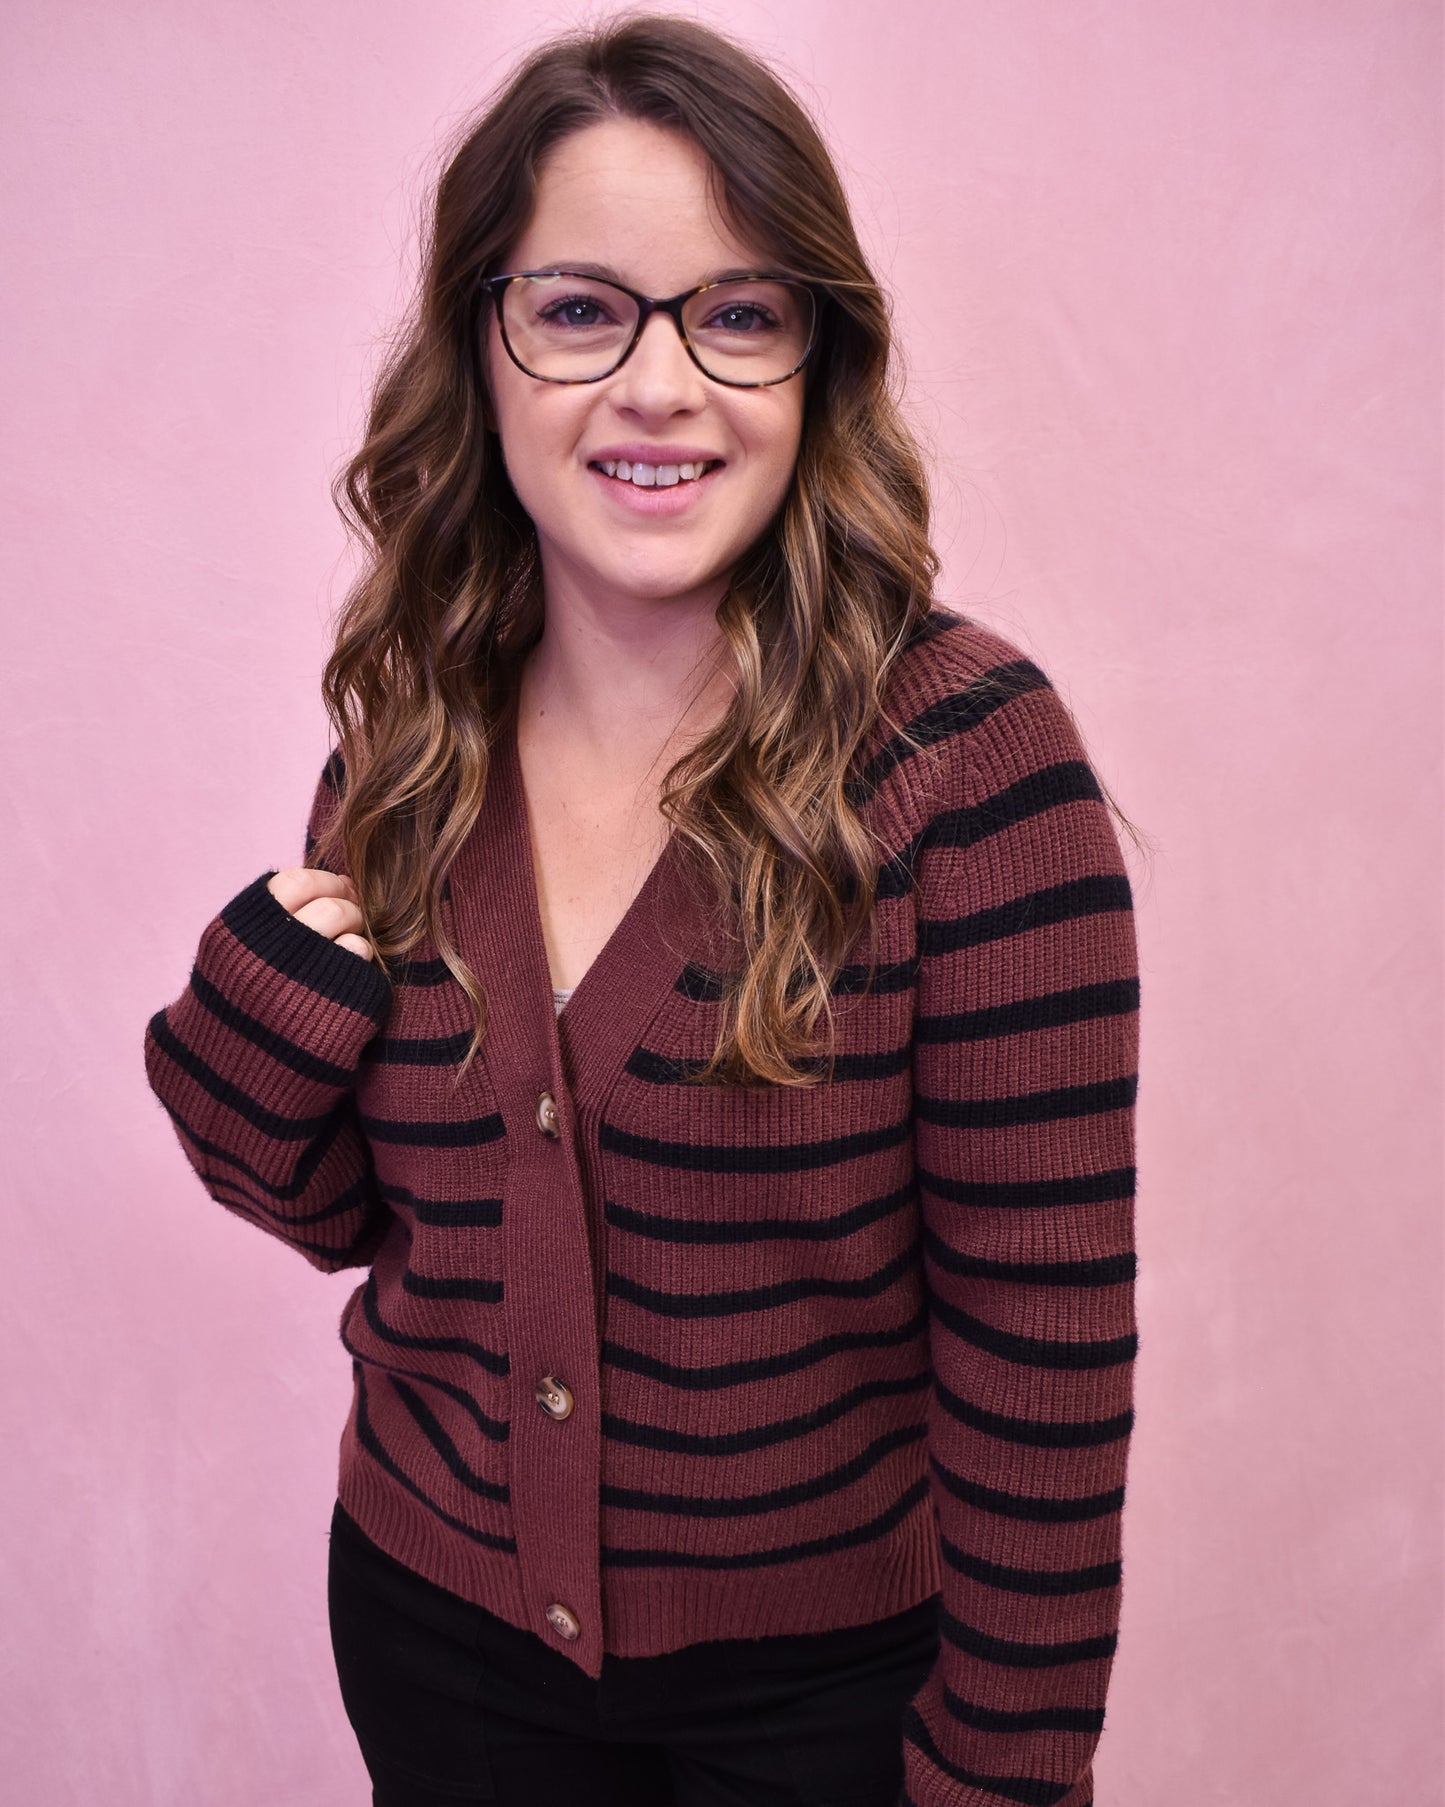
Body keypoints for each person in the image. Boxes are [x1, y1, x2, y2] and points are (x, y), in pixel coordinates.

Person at [143, 16, 1141, 1807]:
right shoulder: (413, 736)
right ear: (483, 348)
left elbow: (1042, 1356)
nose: (659, 385)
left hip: (826, 1704)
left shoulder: (971, 766)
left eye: (736, 314)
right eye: (581, 309)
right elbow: (370, 1226)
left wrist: (1005, 1780)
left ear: (816, 361)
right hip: (437, 1646)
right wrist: (236, 1064)